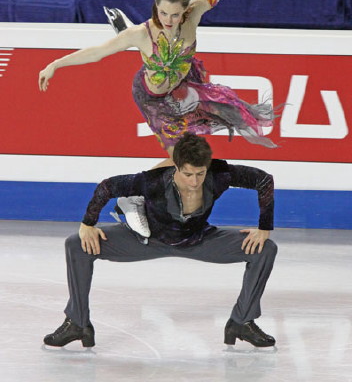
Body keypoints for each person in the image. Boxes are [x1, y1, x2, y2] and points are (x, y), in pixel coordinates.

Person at [38, 0, 281, 237]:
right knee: (182, 155)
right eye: (163, 13)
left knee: (214, 132)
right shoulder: (143, 34)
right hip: (153, 98)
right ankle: (130, 198)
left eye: (175, 14)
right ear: (156, 7)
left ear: (185, 9)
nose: (169, 19)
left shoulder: (195, 12)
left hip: (184, 88)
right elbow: (98, 52)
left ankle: (134, 196)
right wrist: (56, 64)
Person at [43, 133, 278, 349]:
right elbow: (107, 187)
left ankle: (242, 322)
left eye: (200, 174)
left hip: (198, 239)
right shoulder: (151, 181)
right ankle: (77, 323)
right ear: (175, 166)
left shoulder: (220, 174)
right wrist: (87, 224)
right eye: (187, 174)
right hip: (147, 239)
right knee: (76, 244)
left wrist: (264, 227)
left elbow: (264, 180)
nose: (195, 181)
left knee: (264, 249)